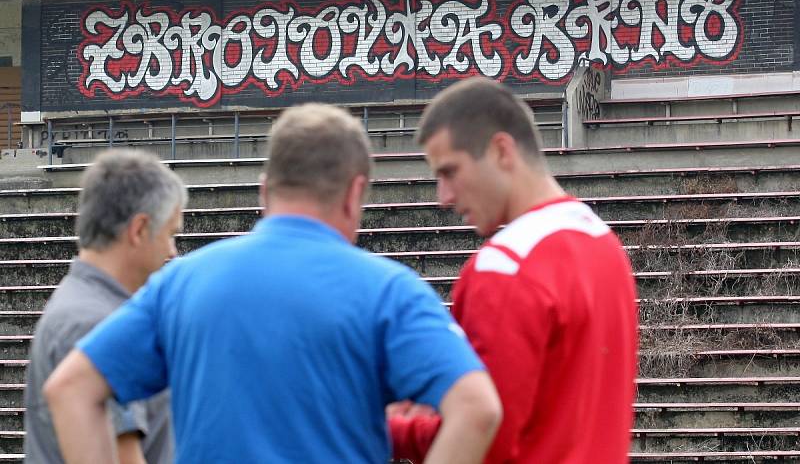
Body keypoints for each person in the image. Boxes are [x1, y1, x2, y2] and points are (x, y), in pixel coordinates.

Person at [43, 103, 502, 464]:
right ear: (355, 192)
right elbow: (477, 408)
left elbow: (71, 390)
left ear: (265, 189)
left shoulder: (182, 282)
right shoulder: (390, 292)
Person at [389, 77, 639, 463]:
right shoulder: (603, 243)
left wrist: (394, 429)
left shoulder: (505, 267)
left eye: (450, 172)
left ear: (501, 150)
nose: (444, 197)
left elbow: (483, 437)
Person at [25, 149, 185, 464]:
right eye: (170, 235)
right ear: (139, 230)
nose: (173, 251)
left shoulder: (79, 305)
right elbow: (123, 456)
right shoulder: (95, 323)